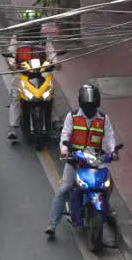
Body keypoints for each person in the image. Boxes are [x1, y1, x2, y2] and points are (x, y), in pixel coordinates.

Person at [46, 83, 118, 238]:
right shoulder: (72, 117)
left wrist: (112, 152)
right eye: (87, 107)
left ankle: (107, 206)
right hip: (75, 161)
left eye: (92, 107)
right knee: (64, 189)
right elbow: (65, 135)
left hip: (96, 160)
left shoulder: (104, 119)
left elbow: (110, 137)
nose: (90, 111)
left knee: (107, 184)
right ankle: (52, 224)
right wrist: (65, 151)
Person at [5, 9, 45, 142]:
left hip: (39, 73)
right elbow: (11, 52)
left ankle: (55, 121)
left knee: (50, 94)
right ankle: (13, 127)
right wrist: (11, 63)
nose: (32, 29)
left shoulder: (44, 39)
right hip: (21, 73)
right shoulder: (17, 37)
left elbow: (51, 52)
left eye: (34, 26)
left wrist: (56, 62)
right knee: (15, 97)